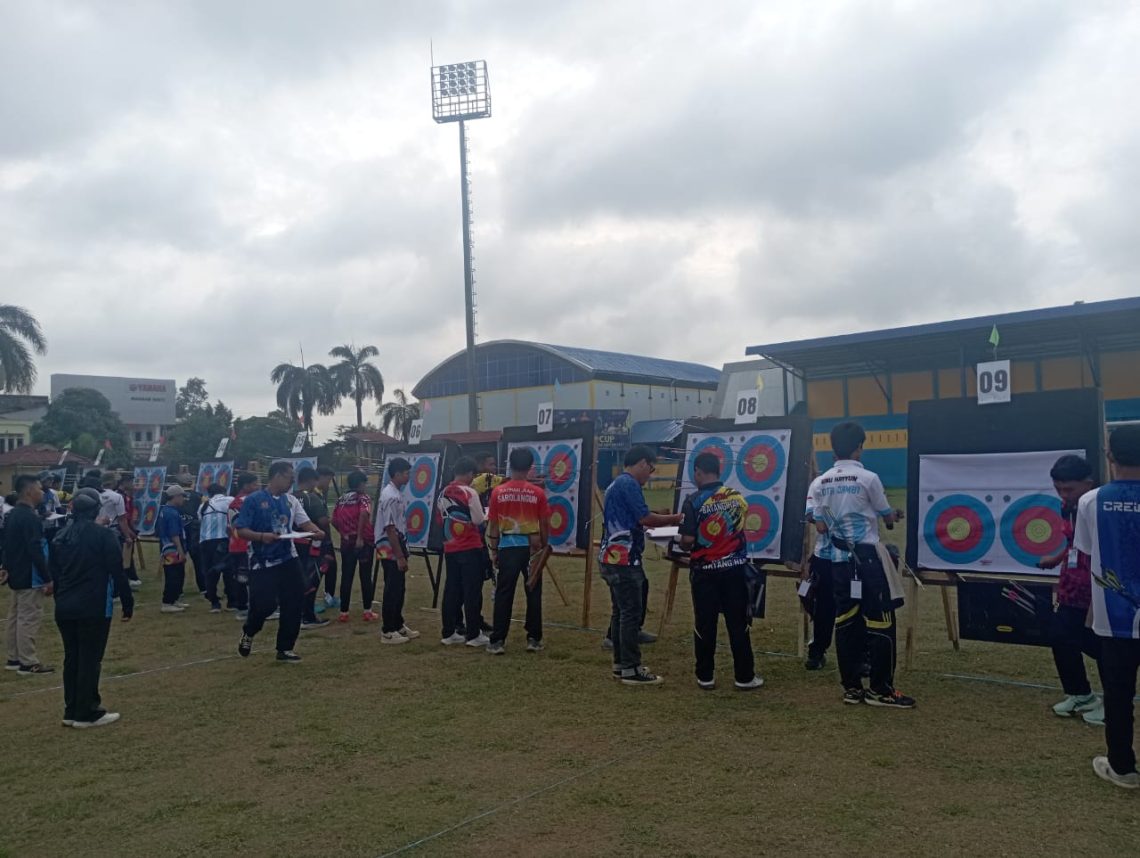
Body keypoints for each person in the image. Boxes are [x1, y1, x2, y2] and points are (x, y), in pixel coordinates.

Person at [809, 422, 913, 708]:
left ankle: (852, 688)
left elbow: (819, 525)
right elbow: (887, 518)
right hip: (869, 560)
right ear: (859, 447)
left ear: (833, 448)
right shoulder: (868, 478)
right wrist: (894, 515)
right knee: (881, 621)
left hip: (840, 562)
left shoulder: (820, 482)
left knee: (846, 622)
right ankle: (882, 690)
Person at [1074, 424, 1140, 790]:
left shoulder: (1090, 501)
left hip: (1113, 618)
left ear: (1110, 456)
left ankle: (1123, 768)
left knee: (1117, 696)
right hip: (1114, 618)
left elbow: (1086, 553)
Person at [679, 452, 763, 691]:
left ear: (698, 472)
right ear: (718, 471)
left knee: (705, 623)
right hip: (735, 571)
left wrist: (683, 542)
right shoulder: (737, 498)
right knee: (738, 623)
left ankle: (706, 676)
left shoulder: (693, 501)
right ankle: (744, 676)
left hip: (705, 572)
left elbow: (687, 539)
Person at [598, 446, 682, 685]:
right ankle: (631, 669)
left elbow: (637, 515)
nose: (651, 474)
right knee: (630, 615)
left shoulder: (618, 484)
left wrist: (659, 515)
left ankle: (620, 664)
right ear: (643, 463)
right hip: (624, 559)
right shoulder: (629, 484)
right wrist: (676, 519)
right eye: (651, 468)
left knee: (620, 612)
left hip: (613, 557)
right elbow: (645, 519)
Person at [51, 487, 133, 728]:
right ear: (97, 510)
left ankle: (72, 709)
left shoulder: (59, 536)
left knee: (72, 657)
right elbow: (117, 572)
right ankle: (87, 711)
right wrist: (127, 602)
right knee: (90, 658)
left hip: (65, 605)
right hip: (93, 604)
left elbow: (55, 574)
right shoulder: (103, 536)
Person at [234, 461, 325, 663]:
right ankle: (249, 630)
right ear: (277, 476)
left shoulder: (291, 500)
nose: (292, 481)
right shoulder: (254, 500)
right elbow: (241, 530)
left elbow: (304, 522)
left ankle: (285, 648)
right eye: (289, 477)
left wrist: (316, 531)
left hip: (288, 558)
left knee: (294, 601)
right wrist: (261, 536)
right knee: (265, 604)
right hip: (262, 561)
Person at [1037, 455, 1104, 724]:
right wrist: (1056, 559)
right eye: (1058, 489)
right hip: (1071, 585)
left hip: (1097, 588)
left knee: (1100, 644)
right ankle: (1080, 693)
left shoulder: (1099, 506)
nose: (1064, 495)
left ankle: (1114, 700)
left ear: (1088, 483)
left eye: (1070, 489)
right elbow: (1075, 541)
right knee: (1059, 634)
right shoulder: (1068, 506)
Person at [485, 448, 550, 655]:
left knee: (504, 593)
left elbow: (493, 525)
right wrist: (544, 548)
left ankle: (497, 641)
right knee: (533, 590)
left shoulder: (498, 492)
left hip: (508, 547)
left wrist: (494, 550)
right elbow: (544, 523)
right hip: (532, 549)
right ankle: (534, 638)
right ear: (531, 467)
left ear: (510, 465)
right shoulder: (538, 493)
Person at [2, 475, 54, 675]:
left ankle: (13, 658)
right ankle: (28, 662)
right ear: (29, 492)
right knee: (28, 618)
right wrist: (47, 577)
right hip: (30, 574)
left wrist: (6, 567)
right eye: (39, 489)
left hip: (16, 571)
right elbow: (35, 549)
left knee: (15, 616)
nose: (42, 492)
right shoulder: (30, 517)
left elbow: (7, 545)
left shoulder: (13, 514)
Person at [437, 457, 489, 648]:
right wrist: (486, 516)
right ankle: (474, 634)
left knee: (452, 589)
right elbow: (477, 520)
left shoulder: (443, 491)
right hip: (469, 546)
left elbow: (439, 518)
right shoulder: (469, 492)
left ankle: (448, 632)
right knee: (472, 591)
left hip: (450, 546)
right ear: (468, 474)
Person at [375, 458, 420, 644]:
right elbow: (390, 528)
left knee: (399, 587)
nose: (409, 477)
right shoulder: (390, 496)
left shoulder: (396, 493)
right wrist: (399, 556)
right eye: (406, 473)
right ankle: (388, 630)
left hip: (395, 545)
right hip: (389, 547)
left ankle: (398, 624)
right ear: (397, 474)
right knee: (392, 588)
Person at [333, 470, 376, 623]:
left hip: (347, 542)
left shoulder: (341, 499)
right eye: (365, 483)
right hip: (363, 541)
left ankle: (344, 612)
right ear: (360, 484)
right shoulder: (363, 497)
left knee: (346, 576)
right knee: (365, 576)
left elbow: (334, 520)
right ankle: (367, 611)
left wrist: (343, 533)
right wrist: (359, 537)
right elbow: (364, 514)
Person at [294, 467, 330, 630]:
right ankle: (307, 616)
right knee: (312, 579)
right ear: (310, 480)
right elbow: (323, 522)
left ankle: (298, 614)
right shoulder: (311, 498)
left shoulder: (290, 498)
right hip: (312, 545)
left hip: (294, 545)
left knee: (298, 580)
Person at [226, 473, 258, 620]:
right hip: (246, 545)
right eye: (254, 484)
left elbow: (229, 528)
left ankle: (242, 608)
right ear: (245, 486)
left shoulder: (233, 503)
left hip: (236, 546)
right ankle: (248, 608)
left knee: (240, 578)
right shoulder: (247, 501)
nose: (256, 487)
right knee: (249, 578)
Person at [198, 483, 234, 613]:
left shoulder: (203, 505)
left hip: (205, 541)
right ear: (224, 491)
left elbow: (200, 520)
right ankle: (231, 601)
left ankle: (214, 603)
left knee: (210, 572)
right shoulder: (230, 500)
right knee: (229, 571)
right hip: (224, 540)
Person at [157, 485, 189, 613]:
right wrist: (181, 551)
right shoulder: (171, 513)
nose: (183, 499)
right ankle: (167, 602)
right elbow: (174, 534)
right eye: (182, 496)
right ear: (175, 497)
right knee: (173, 576)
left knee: (178, 574)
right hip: (172, 548)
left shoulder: (165, 510)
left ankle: (174, 599)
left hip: (167, 547)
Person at [314, 466, 339, 611]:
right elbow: (322, 519)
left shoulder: (320, 494)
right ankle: (309, 600)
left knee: (332, 568)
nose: (329, 483)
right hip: (319, 539)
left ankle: (329, 597)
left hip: (326, 538)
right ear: (321, 477)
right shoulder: (314, 495)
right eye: (328, 479)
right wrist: (334, 520)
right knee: (319, 569)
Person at [114, 473, 142, 589]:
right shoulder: (119, 496)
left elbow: (129, 516)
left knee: (128, 555)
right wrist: (129, 532)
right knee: (123, 556)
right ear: (124, 483)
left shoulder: (126, 496)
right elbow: (122, 518)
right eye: (130, 482)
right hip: (120, 530)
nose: (132, 484)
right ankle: (127, 579)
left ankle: (131, 577)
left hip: (127, 528)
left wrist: (133, 529)